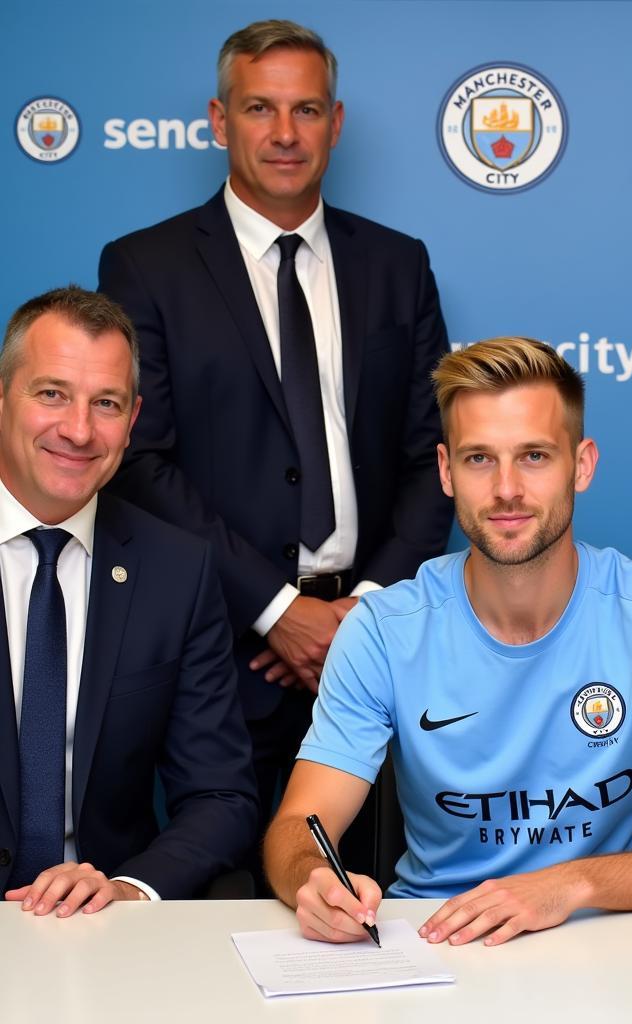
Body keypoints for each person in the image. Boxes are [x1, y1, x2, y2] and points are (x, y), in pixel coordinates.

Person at [264, 337, 632, 946]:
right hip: (440, 943)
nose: (506, 488)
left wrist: (569, 885)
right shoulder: (381, 631)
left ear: (581, 464)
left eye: (534, 456)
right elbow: (299, 824)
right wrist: (311, 877)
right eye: (480, 459)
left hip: (622, 944)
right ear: (446, 472)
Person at [97, 19, 452, 858]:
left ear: (336, 122)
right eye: (261, 108)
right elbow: (140, 463)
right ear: (220, 121)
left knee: (367, 917)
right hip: (219, 648)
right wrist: (278, 610)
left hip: (374, 646)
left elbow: (435, 457)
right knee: (217, 905)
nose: (285, 133)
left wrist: (359, 618)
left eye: (307, 109)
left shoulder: (398, 265)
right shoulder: (146, 267)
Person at [0, 286, 257, 916]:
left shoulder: (177, 570)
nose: (79, 430)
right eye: (52, 393)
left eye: (106, 403)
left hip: (105, 929)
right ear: (3, 397)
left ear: (134, 419)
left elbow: (221, 796)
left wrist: (128, 888)